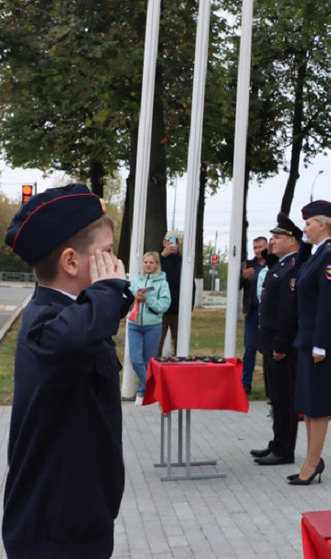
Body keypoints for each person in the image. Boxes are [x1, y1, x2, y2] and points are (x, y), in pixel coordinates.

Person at [2, 183, 133, 559]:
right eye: (106, 254)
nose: (116, 264)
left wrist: (111, 294)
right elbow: (75, 338)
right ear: (72, 263)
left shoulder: (74, 317)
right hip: (52, 534)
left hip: (79, 522)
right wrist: (108, 291)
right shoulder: (46, 326)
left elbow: (91, 325)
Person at [290, 200, 331, 485]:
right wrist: (303, 245)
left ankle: (313, 463)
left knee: (319, 404)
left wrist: (320, 345)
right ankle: (311, 459)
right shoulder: (316, 253)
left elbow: (328, 303)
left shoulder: (329, 255)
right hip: (307, 337)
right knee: (308, 403)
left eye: (308, 224)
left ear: (322, 224)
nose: (305, 229)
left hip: (320, 341)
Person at [250, 214, 303, 466]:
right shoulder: (281, 264)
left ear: (292, 240)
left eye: (277, 237)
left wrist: (281, 343)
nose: (272, 240)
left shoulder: (294, 266)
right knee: (276, 397)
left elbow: (288, 310)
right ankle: (276, 442)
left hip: (282, 344)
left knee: (286, 398)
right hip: (269, 341)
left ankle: (285, 450)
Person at [127, 251, 171, 405]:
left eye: (151, 262)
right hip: (134, 325)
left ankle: (142, 392)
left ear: (157, 265)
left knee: (148, 361)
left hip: (153, 326)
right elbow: (126, 298)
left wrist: (148, 299)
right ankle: (156, 389)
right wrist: (135, 297)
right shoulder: (135, 281)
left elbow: (164, 305)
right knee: (135, 360)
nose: (148, 265)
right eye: (146, 262)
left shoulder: (162, 283)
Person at [239, 236, 268, 394]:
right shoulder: (248, 265)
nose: (258, 251)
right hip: (252, 313)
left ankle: (270, 386)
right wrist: (242, 277)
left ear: (267, 247)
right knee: (249, 349)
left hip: (269, 314)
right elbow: (236, 286)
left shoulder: (274, 263)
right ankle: (245, 383)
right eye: (255, 247)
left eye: (260, 247)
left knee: (268, 350)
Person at [157, 232, 193, 357]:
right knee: (157, 343)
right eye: (169, 241)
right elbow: (150, 275)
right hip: (160, 309)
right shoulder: (157, 261)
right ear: (164, 243)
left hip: (179, 310)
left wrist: (190, 307)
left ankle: (180, 370)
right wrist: (162, 257)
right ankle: (155, 371)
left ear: (179, 244)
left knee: (180, 343)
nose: (172, 244)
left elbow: (191, 285)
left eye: (175, 241)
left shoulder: (184, 262)